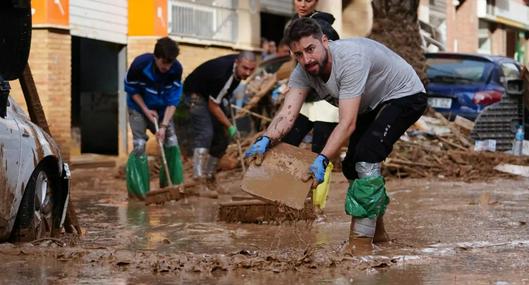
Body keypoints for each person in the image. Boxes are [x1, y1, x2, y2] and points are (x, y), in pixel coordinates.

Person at [245, 18, 427, 250]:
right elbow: (286, 115)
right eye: (298, 54)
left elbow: (347, 123)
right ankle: (378, 234)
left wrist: (322, 159)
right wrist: (265, 139)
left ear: (324, 41)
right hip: (370, 104)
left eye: (310, 49)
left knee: (366, 156)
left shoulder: (350, 60)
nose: (306, 59)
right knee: (351, 166)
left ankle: (360, 245)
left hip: (405, 95)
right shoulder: (303, 71)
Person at [184, 51, 257, 196]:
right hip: (195, 94)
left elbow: (220, 96)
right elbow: (213, 106)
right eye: (245, 68)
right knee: (206, 133)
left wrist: (226, 100)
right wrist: (230, 126)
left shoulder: (236, 71)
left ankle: (210, 178)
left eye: (251, 69)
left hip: (211, 95)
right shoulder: (223, 75)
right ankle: (198, 181)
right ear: (237, 63)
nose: (247, 73)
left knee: (222, 138)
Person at [124, 37, 184, 199]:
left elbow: (173, 101)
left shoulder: (176, 69)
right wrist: (145, 110)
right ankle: (140, 193)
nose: (167, 67)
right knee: (139, 144)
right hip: (138, 106)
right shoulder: (139, 65)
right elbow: (131, 90)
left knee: (171, 141)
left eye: (170, 63)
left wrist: (163, 127)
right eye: (164, 62)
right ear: (156, 57)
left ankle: (172, 185)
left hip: (163, 108)